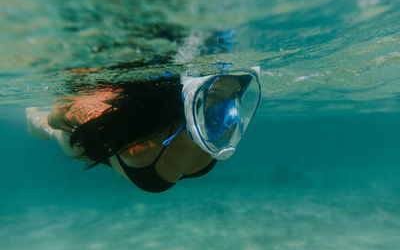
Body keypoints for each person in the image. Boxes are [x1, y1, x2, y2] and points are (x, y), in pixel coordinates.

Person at [26, 67, 261, 193]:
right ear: (190, 101)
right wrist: (71, 115)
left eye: (233, 96)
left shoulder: (220, 132)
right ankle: (36, 123)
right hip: (123, 157)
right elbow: (61, 116)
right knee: (56, 132)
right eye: (216, 96)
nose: (229, 110)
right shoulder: (136, 143)